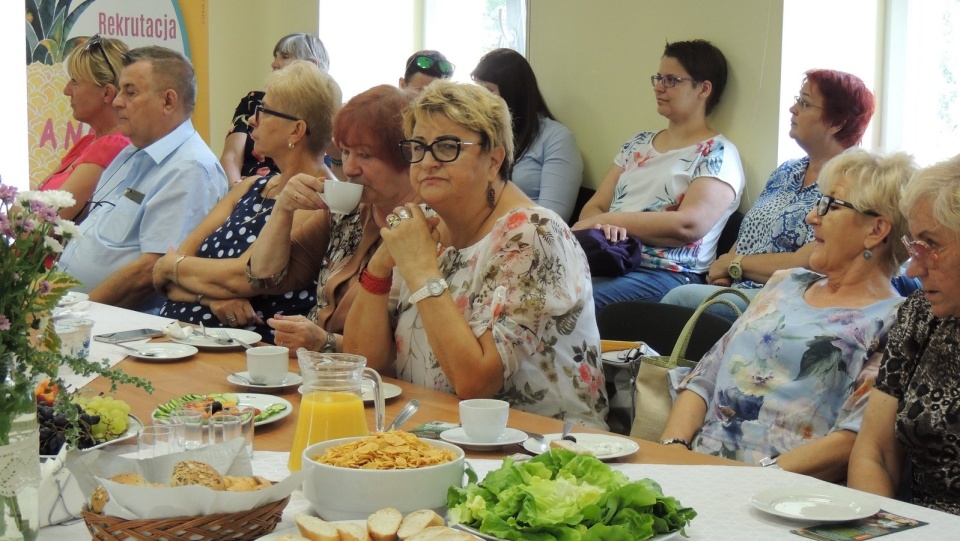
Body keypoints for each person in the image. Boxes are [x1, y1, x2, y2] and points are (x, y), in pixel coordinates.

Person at [342, 80, 608, 428]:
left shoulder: (533, 234)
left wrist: (421, 269)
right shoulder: (428, 229)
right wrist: (381, 262)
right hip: (434, 435)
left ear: (494, 160)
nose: (428, 162)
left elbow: (476, 383)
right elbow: (363, 362)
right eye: (418, 147)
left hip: (540, 452)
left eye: (448, 147)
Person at [658, 148, 917, 482]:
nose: (812, 217)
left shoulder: (893, 319)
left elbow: (855, 437)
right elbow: (703, 378)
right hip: (695, 468)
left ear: (876, 230)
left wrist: (753, 477)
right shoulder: (786, 283)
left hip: (782, 490)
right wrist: (673, 449)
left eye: (830, 205)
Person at [661, 69, 876, 318]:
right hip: (740, 288)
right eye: (797, 99)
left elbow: (809, 262)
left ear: (836, 122)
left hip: (789, 297)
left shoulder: (852, 183)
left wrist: (734, 265)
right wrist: (723, 275)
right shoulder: (787, 170)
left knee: (676, 299)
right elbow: (748, 234)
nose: (793, 109)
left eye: (804, 103)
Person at [152, 61, 341, 341]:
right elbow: (163, 278)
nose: (252, 119)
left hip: (244, 353)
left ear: (295, 131)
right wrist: (209, 298)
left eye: (263, 111)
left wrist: (173, 267)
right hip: (175, 335)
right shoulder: (250, 186)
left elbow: (246, 277)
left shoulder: (320, 199)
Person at [241, 85, 417, 353]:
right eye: (345, 152)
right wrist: (283, 210)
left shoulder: (428, 228)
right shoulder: (349, 211)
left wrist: (325, 342)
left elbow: (408, 355)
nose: (349, 169)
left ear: (407, 156)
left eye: (365, 155)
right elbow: (264, 276)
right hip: (318, 372)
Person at [572, 40, 744, 310]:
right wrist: (603, 224)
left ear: (704, 89)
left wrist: (612, 221)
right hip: (609, 257)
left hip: (666, 273)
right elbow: (593, 206)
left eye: (672, 80)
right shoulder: (637, 144)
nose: (659, 87)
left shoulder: (717, 153)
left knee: (571, 302)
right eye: (658, 78)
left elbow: (688, 225)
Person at [57, 46, 228, 314]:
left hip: (123, 327)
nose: (117, 101)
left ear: (168, 101)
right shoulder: (130, 152)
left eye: (130, 92)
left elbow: (151, 271)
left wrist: (74, 313)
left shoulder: (189, 168)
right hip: (77, 310)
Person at [848, 154, 960, 514]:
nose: (913, 266)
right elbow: (874, 453)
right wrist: (880, 527)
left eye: (932, 245)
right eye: (914, 245)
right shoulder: (920, 315)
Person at [472, 48, 583, 222]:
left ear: (514, 92)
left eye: (489, 91)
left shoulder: (556, 138)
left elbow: (551, 220)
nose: (480, 100)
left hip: (528, 237)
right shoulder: (479, 134)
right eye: (477, 91)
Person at [40, 34, 130, 221]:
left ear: (107, 93)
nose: (66, 91)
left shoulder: (112, 146)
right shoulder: (89, 142)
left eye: (75, 81)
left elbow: (41, 224)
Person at [219, 33, 331, 183]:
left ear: (311, 65)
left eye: (285, 57)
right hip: (246, 191)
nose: (274, 64)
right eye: (275, 56)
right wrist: (240, 196)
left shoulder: (328, 114)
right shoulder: (253, 101)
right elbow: (231, 157)